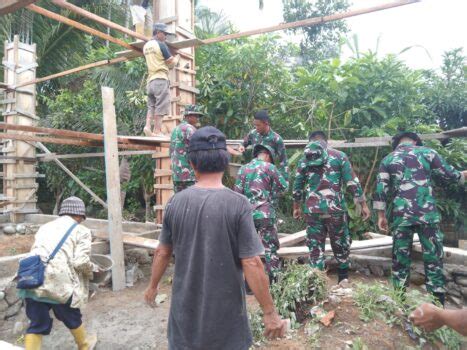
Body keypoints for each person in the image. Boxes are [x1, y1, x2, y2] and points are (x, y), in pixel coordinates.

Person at [144, 126, 286, 349]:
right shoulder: (238, 204)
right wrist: (270, 312)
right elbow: (251, 262)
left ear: (191, 164)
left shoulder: (175, 202)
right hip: (226, 324)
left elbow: (162, 251)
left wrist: (152, 286)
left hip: (184, 320)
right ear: (225, 161)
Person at [373, 131, 466, 305]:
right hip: (428, 216)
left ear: (397, 143)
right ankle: (437, 306)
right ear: (416, 141)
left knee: (400, 259)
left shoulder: (388, 159)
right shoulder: (428, 153)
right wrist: (462, 175)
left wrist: (381, 216)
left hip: (401, 217)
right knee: (433, 258)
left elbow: (380, 190)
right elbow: (450, 175)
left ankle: (399, 303)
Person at [19, 197, 97, 350]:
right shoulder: (82, 230)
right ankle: (84, 345)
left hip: (32, 277)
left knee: (37, 324)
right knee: (71, 315)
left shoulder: (45, 227)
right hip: (59, 281)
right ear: (80, 216)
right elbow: (80, 261)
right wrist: (92, 269)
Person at [293, 131, 370, 282]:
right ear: (326, 142)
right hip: (335, 210)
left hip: (313, 211)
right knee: (340, 242)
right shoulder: (339, 156)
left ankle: (317, 282)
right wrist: (363, 205)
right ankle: (343, 279)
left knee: (315, 246)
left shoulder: (304, 159)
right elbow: (352, 183)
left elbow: (297, 186)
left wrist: (296, 206)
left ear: (311, 142)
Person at [234, 144, 288, 282]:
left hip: (246, 216)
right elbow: (284, 187)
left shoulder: (243, 169)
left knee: (248, 250)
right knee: (270, 249)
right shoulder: (270, 167)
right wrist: (271, 194)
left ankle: (248, 284)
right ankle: (274, 283)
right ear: (268, 156)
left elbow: (237, 195)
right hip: (265, 214)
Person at [143, 23, 180, 137]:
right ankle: (157, 131)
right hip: (160, 79)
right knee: (161, 105)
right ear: (158, 33)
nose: (165, 37)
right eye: (164, 34)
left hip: (150, 81)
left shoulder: (146, 46)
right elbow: (171, 63)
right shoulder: (161, 45)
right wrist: (177, 58)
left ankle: (147, 127)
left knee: (152, 106)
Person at [239, 110, 288, 181]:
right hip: (253, 173)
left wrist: (284, 181)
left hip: (267, 174)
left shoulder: (276, 139)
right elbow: (244, 143)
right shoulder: (253, 134)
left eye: (258, 125)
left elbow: (283, 162)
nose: (256, 127)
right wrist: (242, 146)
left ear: (266, 123)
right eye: (254, 125)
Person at [169, 104, 204, 193]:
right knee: (191, 202)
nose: (197, 118)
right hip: (189, 175)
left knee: (179, 202)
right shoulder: (190, 129)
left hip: (176, 174)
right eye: (196, 116)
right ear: (188, 116)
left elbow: (171, 151)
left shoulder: (175, 130)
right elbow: (195, 152)